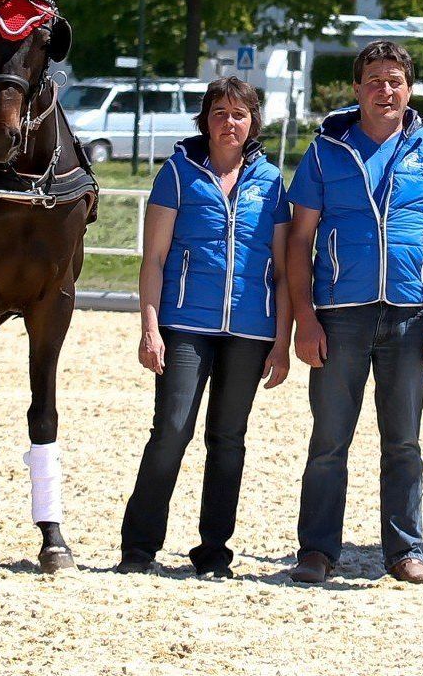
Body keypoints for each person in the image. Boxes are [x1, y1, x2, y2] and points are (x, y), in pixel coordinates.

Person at [286, 40, 423, 586]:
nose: (384, 90)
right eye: (373, 80)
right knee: (329, 440)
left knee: (404, 442)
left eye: (394, 80)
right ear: (356, 88)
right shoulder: (325, 151)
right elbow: (300, 240)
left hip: (411, 316)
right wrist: (305, 318)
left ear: (409, 89)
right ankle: (318, 551)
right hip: (339, 315)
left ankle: (404, 553)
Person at [118, 75, 292, 579]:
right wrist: (149, 327)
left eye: (239, 114)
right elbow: (153, 260)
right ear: (205, 119)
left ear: (252, 122)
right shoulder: (176, 174)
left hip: (250, 328)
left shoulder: (271, 183)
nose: (229, 123)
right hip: (184, 324)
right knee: (171, 430)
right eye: (220, 112)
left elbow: (282, 271)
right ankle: (139, 546)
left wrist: (281, 343)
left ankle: (214, 550)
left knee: (229, 439)